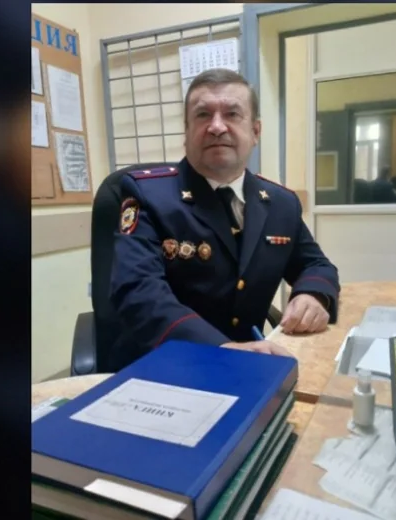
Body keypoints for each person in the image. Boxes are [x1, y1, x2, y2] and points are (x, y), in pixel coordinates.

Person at [108, 68, 340, 371]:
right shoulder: (147, 194)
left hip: (251, 365)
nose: (217, 127)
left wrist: (313, 294)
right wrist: (221, 349)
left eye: (232, 114)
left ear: (255, 131)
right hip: (168, 364)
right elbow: (138, 290)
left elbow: (316, 264)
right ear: (186, 132)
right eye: (203, 115)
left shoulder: (281, 204)